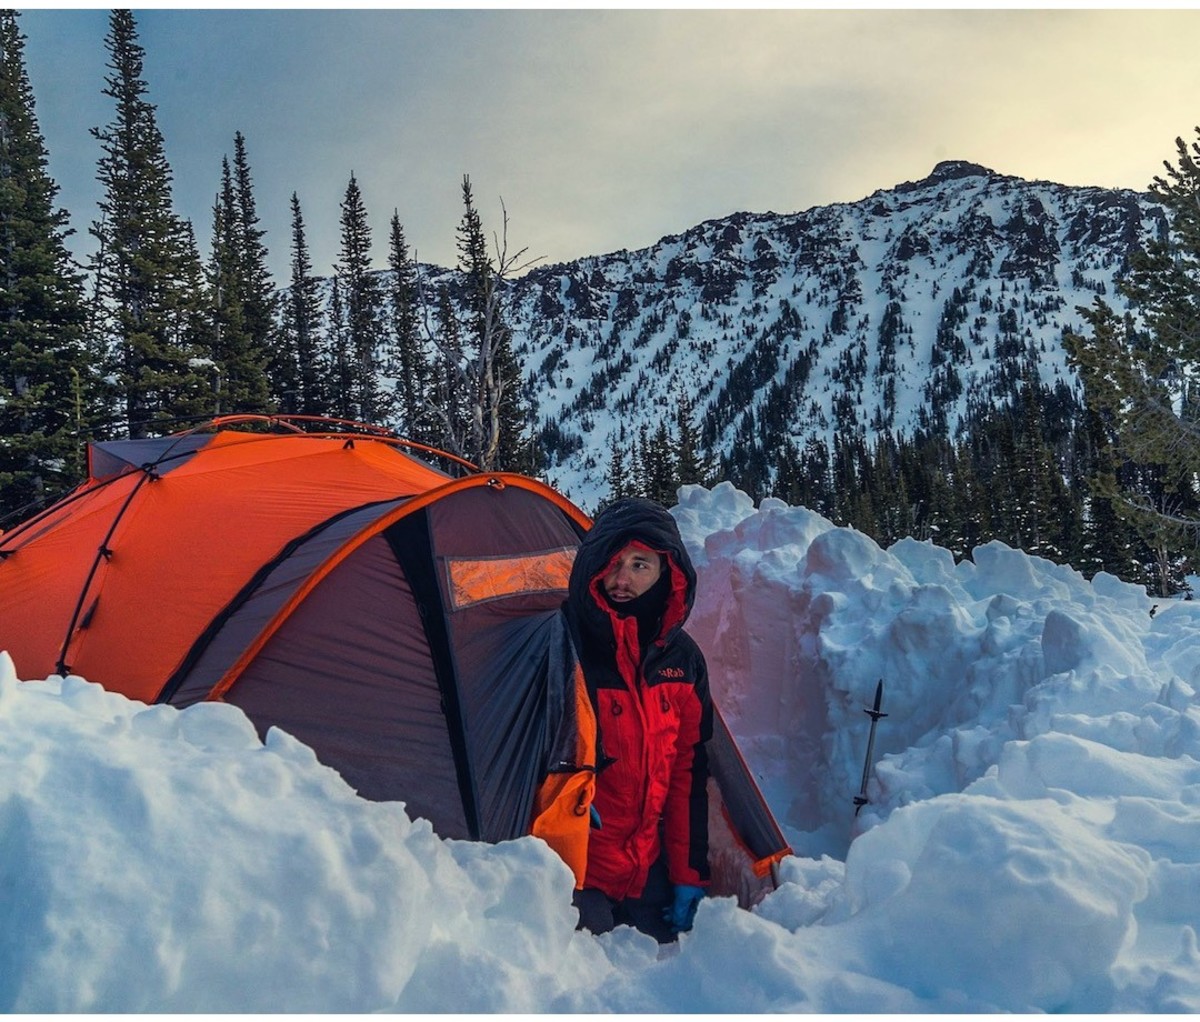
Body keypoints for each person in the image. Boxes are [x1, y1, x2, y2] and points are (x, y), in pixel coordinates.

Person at [562, 496, 713, 943]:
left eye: (640, 565)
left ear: (668, 572)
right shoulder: (567, 644)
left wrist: (689, 873)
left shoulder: (682, 660)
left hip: (646, 871)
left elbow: (689, 768)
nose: (621, 579)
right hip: (576, 873)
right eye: (613, 562)